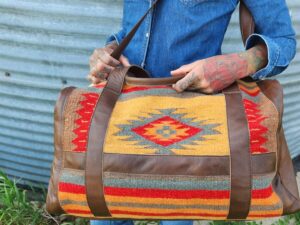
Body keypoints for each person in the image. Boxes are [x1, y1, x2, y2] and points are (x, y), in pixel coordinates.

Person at [87, 0, 296, 225]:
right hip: (124, 112)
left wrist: (235, 65)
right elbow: (139, 25)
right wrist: (110, 50)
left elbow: (283, 41)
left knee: (176, 214)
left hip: (187, 129)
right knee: (105, 215)